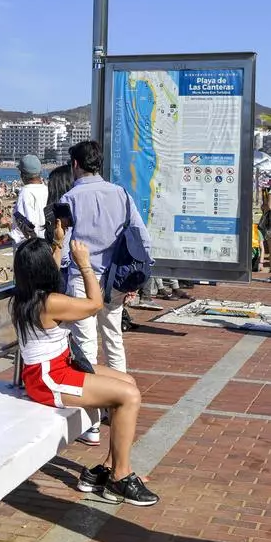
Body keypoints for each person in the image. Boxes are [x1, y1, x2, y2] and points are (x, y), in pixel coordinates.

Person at [12, 235, 158, 506]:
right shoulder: (49, 302)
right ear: (44, 270)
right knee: (129, 397)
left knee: (128, 382)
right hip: (49, 378)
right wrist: (84, 265)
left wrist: (58, 243)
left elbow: (52, 270)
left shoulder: (27, 297)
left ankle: (106, 470)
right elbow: (95, 305)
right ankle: (120, 479)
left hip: (56, 368)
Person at [60, 140, 152, 446]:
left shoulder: (70, 198)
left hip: (81, 279)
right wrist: (139, 275)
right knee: (113, 337)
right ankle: (117, 405)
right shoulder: (121, 194)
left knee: (85, 344)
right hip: (115, 278)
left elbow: (64, 246)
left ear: (75, 164)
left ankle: (92, 422)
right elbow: (141, 235)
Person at [11, 156, 48, 246]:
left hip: (30, 248)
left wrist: (4, 238)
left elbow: (26, 226)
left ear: (23, 174)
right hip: (46, 243)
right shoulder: (46, 189)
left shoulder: (26, 192)